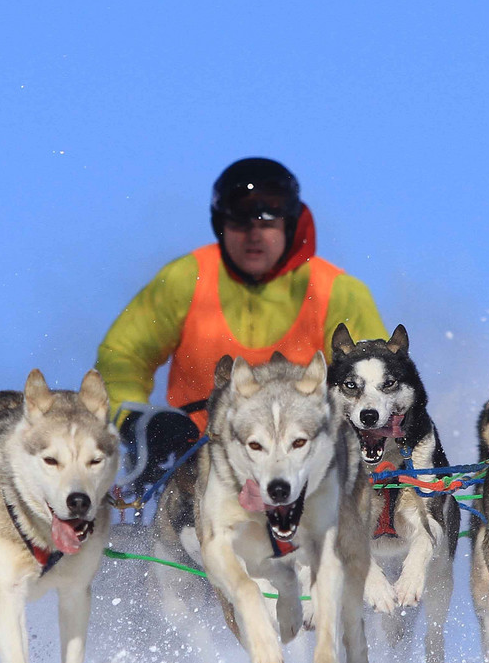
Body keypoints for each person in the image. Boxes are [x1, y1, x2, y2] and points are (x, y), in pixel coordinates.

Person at [97, 157, 387, 496]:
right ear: (220, 224)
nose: (253, 234)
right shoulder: (185, 278)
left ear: (289, 225)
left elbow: (373, 384)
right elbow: (122, 356)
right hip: (197, 465)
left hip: (305, 468)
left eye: (267, 222)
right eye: (239, 221)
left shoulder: (337, 291)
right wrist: (136, 420)